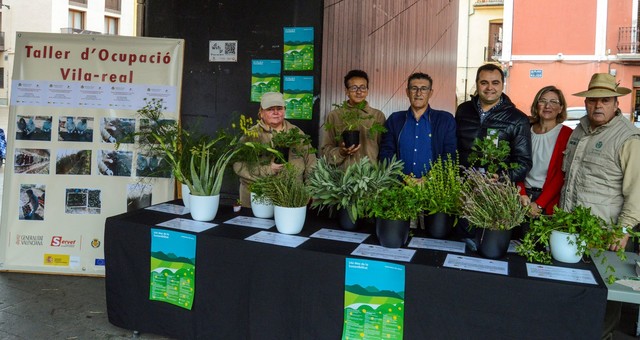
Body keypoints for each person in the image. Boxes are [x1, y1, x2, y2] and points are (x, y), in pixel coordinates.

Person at [560, 73, 640, 251]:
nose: (598, 106)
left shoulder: (628, 139)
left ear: (616, 104)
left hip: (605, 236)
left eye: (605, 100)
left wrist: (623, 230)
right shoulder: (579, 130)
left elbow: (637, 192)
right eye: (592, 100)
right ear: (585, 102)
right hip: (570, 228)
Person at [233, 92, 316, 208]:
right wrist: (267, 169)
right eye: (270, 109)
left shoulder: (296, 132)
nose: (276, 112)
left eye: (279, 108)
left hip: (290, 198)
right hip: (258, 198)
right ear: (261, 113)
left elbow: (311, 162)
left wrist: (310, 188)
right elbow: (238, 165)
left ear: (284, 110)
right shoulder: (251, 135)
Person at [455, 64, 532, 183]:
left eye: (495, 83)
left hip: (495, 191)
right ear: (477, 84)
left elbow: (523, 163)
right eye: (484, 82)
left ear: (502, 85)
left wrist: (501, 178)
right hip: (462, 186)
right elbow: (454, 148)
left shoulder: (518, 120)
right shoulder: (463, 110)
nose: (489, 87)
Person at [378, 72, 457, 179]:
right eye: (414, 88)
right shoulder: (394, 120)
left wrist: (427, 179)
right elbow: (386, 153)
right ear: (407, 92)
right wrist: (402, 178)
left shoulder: (445, 120)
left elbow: (449, 155)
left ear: (431, 92)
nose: (418, 93)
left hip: (432, 188)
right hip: (399, 188)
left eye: (424, 89)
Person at [520, 86, 573, 217]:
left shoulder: (567, 134)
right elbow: (517, 164)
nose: (547, 106)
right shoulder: (525, 130)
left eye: (554, 102)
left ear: (560, 108)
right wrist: (521, 194)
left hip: (548, 199)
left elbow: (561, 175)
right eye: (542, 101)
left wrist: (539, 204)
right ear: (536, 105)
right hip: (522, 196)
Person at [320, 69, 386, 168]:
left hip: (370, 177)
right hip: (341, 178)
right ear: (346, 91)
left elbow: (384, 149)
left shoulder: (377, 116)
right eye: (354, 88)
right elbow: (325, 149)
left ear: (367, 91)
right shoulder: (335, 116)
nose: (359, 92)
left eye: (363, 87)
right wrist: (341, 152)